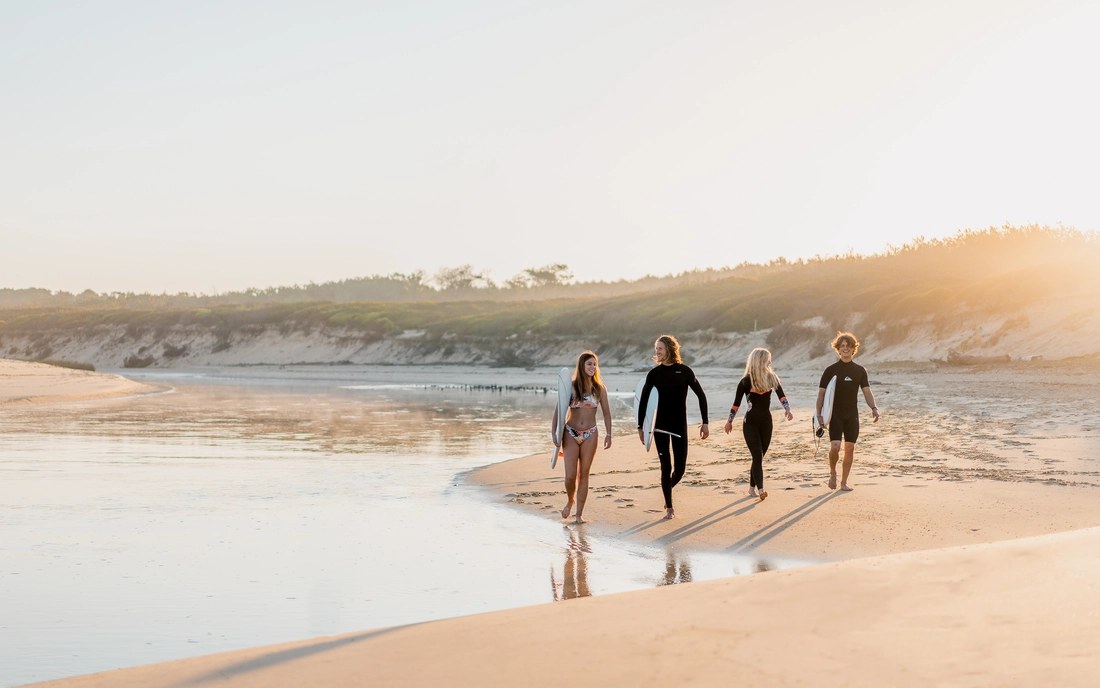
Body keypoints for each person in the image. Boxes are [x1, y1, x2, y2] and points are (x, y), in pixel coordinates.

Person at [636, 335, 709, 520]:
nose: (657, 352)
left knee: (680, 469)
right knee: (665, 466)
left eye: (660, 348)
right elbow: (643, 401)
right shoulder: (654, 374)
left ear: (669, 349)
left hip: (678, 425)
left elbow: (701, 395)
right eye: (656, 348)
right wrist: (640, 427)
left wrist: (705, 422)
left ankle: (666, 489)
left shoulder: (684, 371)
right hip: (659, 426)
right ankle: (669, 507)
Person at [551, 351, 612, 523]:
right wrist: (554, 431)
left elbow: (607, 414)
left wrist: (609, 434)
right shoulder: (570, 387)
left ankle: (579, 514)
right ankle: (570, 500)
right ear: (582, 366)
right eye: (589, 364)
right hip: (570, 432)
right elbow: (559, 410)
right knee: (570, 476)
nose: (593, 367)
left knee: (583, 474)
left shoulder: (599, 389)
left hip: (590, 433)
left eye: (595, 364)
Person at [724, 348, 793, 500]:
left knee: (759, 457)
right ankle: (761, 490)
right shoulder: (745, 381)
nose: (770, 362)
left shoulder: (772, 378)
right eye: (768, 359)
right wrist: (729, 421)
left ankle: (751, 488)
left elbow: (782, 396)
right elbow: (736, 404)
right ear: (760, 361)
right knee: (757, 454)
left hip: (766, 422)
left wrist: (788, 410)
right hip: (750, 423)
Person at [815, 332, 880, 491]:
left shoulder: (860, 370)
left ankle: (843, 482)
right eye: (842, 346)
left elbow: (867, 392)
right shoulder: (830, 370)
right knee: (835, 447)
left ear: (853, 348)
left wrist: (874, 408)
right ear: (838, 349)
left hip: (852, 415)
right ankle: (832, 472)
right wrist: (819, 415)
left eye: (848, 346)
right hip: (835, 414)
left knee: (849, 449)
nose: (845, 348)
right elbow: (822, 394)